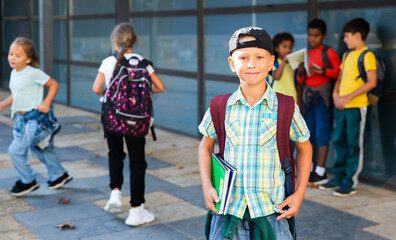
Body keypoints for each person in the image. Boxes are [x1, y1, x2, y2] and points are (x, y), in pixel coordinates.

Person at [198, 27, 312, 239]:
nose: (251, 64)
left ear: (271, 62)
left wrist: (299, 193)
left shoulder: (286, 107)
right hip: (229, 214)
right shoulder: (220, 106)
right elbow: (205, 147)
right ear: (232, 63)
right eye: (243, 57)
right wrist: (207, 187)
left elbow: (304, 146)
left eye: (259, 57)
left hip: (272, 214)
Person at [92, 22, 165, 226]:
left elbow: (96, 87)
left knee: (115, 154)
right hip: (137, 121)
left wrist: (110, 95)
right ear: (134, 41)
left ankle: (115, 194)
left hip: (112, 117)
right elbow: (160, 87)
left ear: (114, 42)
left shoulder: (109, 62)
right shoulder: (144, 63)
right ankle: (136, 210)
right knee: (137, 163)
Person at [0, 37, 72, 197]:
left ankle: (28, 181)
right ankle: (58, 175)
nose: (12, 58)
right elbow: (17, 94)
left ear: (28, 59)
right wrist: (3, 104)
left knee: (15, 151)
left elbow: (54, 84)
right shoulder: (14, 73)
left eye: (18, 55)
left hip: (35, 119)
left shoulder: (33, 73)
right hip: (21, 119)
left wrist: (46, 102)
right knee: (40, 148)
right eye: (11, 54)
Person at [319, 18, 377, 197]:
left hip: (356, 107)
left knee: (353, 145)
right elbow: (340, 78)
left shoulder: (367, 56)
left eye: (347, 36)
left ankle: (349, 182)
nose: (344, 40)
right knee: (339, 142)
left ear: (358, 36)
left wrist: (347, 98)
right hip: (341, 107)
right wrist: (336, 95)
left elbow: (371, 82)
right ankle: (337, 178)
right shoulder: (346, 55)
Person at [297, 19, 341, 187]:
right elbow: (303, 80)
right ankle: (311, 169)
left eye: (316, 36)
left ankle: (321, 171)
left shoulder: (329, 52)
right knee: (309, 134)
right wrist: (301, 72)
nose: (312, 39)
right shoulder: (307, 54)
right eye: (310, 35)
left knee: (322, 133)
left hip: (323, 99)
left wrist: (320, 70)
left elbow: (338, 72)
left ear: (324, 36)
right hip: (309, 99)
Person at [271, 32, 301, 105]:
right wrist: (284, 61)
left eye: (290, 47)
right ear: (276, 48)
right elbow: (277, 77)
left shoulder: (292, 65)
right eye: (284, 47)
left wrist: (299, 103)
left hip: (292, 98)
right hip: (276, 99)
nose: (288, 50)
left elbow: (298, 85)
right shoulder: (272, 63)